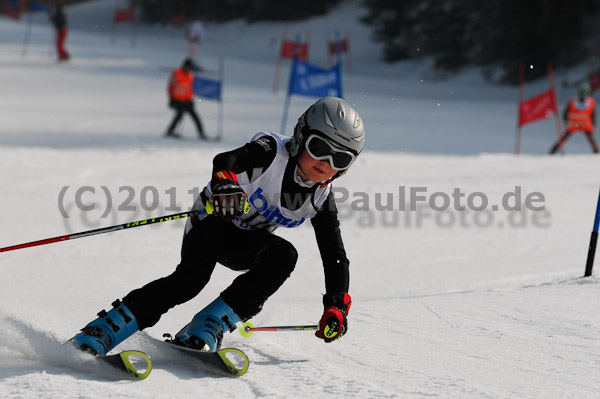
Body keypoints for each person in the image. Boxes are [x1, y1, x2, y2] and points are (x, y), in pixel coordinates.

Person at [70, 97, 365, 355]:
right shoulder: (272, 152)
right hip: (211, 224)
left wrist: (336, 304)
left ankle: (207, 325)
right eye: (319, 148)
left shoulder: (321, 197)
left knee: (284, 255)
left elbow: (334, 253)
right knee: (189, 281)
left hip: (246, 244)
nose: (326, 163)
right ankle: (103, 330)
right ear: (301, 135)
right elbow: (228, 159)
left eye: (340, 158)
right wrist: (225, 184)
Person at [549, 82, 599, 154]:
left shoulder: (590, 102)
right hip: (573, 125)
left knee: (592, 141)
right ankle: (552, 152)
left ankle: (597, 153)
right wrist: (566, 121)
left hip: (585, 125)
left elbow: (593, 114)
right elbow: (565, 113)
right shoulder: (572, 102)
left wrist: (593, 124)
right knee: (563, 139)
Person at [165, 58, 206, 139]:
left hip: (187, 100)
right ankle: (170, 131)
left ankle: (201, 133)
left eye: (190, 68)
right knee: (179, 115)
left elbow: (189, 89)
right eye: (188, 67)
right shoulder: (176, 73)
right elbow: (171, 87)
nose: (188, 69)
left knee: (195, 116)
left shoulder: (190, 75)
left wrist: (190, 99)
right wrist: (171, 99)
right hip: (177, 100)